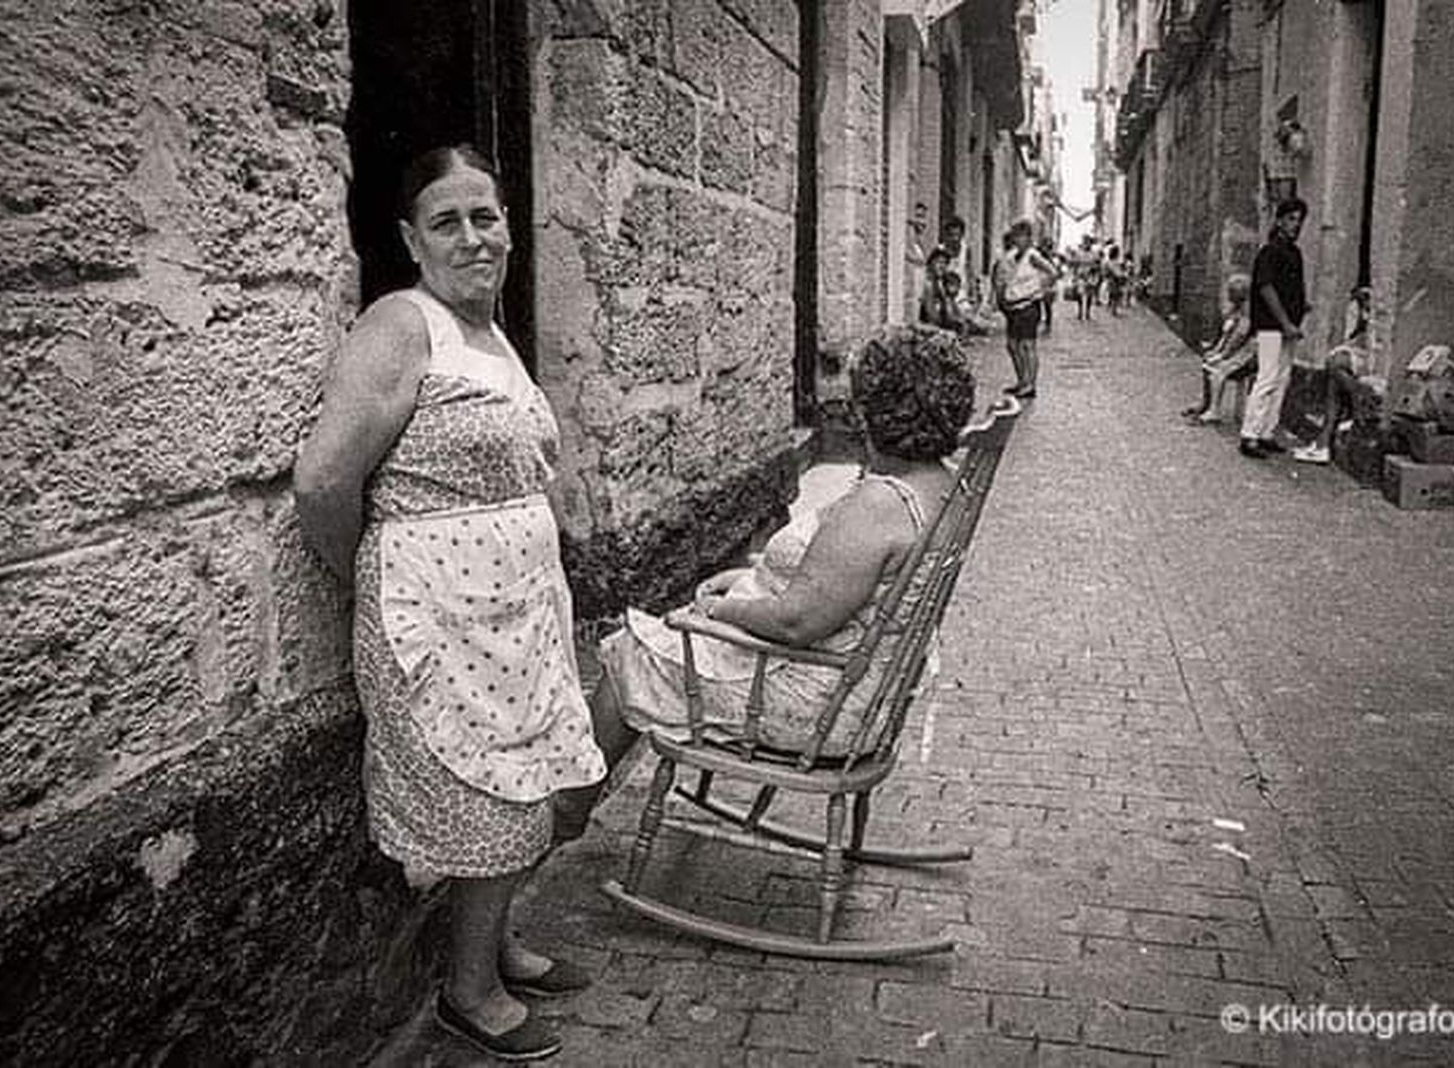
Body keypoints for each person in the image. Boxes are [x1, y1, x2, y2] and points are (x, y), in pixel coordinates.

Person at [294, 144, 606, 1062]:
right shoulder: (403, 325)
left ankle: (496, 945)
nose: (475, 237)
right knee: (488, 807)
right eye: (448, 221)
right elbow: (322, 482)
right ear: (410, 239)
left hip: (515, 621)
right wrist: (377, 583)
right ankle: (468, 992)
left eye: (488, 217)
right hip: (437, 625)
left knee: (533, 790)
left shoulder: (493, 335)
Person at [554, 325, 975, 832]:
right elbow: (845, 585)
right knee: (658, 646)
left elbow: (797, 622)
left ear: (876, 409)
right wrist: (745, 577)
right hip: (865, 693)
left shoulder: (880, 504)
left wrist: (720, 610)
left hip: (818, 708)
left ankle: (566, 814)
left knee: (633, 651)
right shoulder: (943, 485)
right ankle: (572, 805)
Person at [1239, 197, 1310, 459]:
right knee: (1267, 377)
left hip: (1289, 326)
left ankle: (1266, 431)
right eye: (1291, 219)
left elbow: (1288, 288)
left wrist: (1302, 305)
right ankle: (1249, 434)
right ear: (1279, 220)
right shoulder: (1269, 251)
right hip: (1271, 326)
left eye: (1299, 220)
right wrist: (1285, 322)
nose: (1296, 225)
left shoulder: (1294, 252)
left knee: (1282, 379)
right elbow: (1266, 288)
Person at [1292, 286, 1377, 464]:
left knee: (1334, 365)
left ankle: (1357, 399)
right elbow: (1354, 337)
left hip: (1373, 359)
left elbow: (1372, 343)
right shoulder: (1359, 305)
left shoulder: (1375, 308)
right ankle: (1323, 444)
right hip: (1361, 355)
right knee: (1333, 383)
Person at [993, 219, 1060, 399]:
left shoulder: (1033, 256)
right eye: (1016, 235)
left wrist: (1039, 289)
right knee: (1012, 345)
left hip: (1028, 306)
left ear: (1029, 238)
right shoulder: (1013, 256)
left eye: (1022, 236)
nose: (1018, 239)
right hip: (1013, 306)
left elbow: (1053, 272)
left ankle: (1030, 385)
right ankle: (1022, 380)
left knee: (1027, 345)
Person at [1180, 274, 1255, 425]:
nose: (1228, 295)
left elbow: (1239, 338)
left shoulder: (1248, 312)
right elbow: (1225, 335)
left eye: (1231, 292)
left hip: (1245, 354)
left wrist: (1223, 355)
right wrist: (1216, 351)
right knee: (1207, 362)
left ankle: (1214, 411)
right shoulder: (1235, 310)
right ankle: (1206, 403)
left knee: (1217, 370)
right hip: (1233, 351)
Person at [919, 249, 967, 333]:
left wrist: (958, 320)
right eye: (939, 262)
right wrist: (948, 325)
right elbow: (932, 315)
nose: (942, 266)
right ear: (931, 263)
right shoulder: (928, 284)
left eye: (945, 263)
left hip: (939, 327)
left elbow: (949, 308)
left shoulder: (940, 283)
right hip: (930, 328)